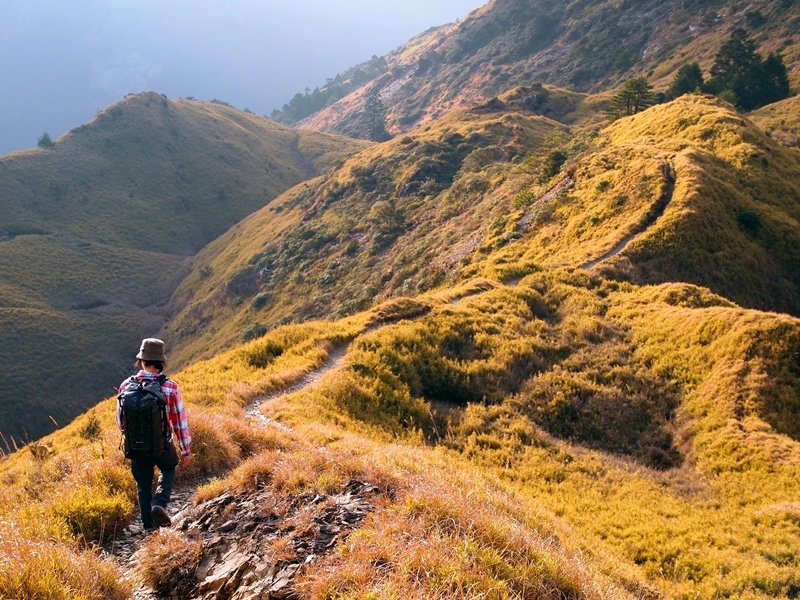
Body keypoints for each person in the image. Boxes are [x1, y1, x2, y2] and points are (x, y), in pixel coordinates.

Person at [116, 338, 191, 530]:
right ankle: (159, 502)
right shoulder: (170, 387)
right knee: (168, 468)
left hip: (136, 446)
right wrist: (185, 449)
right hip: (162, 444)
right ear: (161, 362)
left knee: (143, 484)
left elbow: (120, 421)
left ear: (142, 361)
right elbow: (179, 421)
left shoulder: (126, 386)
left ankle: (149, 527)